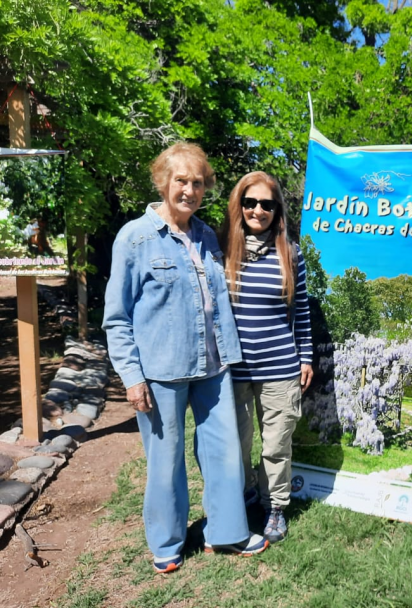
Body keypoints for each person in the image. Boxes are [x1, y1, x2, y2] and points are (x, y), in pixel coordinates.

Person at [103, 143, 268, 574]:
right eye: (181, 181)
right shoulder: (135, 238)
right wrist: (131, 377)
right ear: (163, 182)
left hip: (213, 365)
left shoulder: (207, 235)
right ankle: (167, 542)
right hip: (161, 370)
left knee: (224, 450)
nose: (190, 190)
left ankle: (226, 533)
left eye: (197, 183)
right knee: (165, 457)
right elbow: (117, 317)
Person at [222, 171, 314, 544]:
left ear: (277, 210)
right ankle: (245, 497)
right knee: (237, 441)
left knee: (276, 444)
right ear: (239, 205)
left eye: (266, 204)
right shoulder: (222, 249)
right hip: (233, 369)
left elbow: (302, 311)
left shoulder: (290, 254)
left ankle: (274, 505)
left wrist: (305, 356)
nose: (257, 210)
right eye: (250, 202)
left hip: (280, 367)